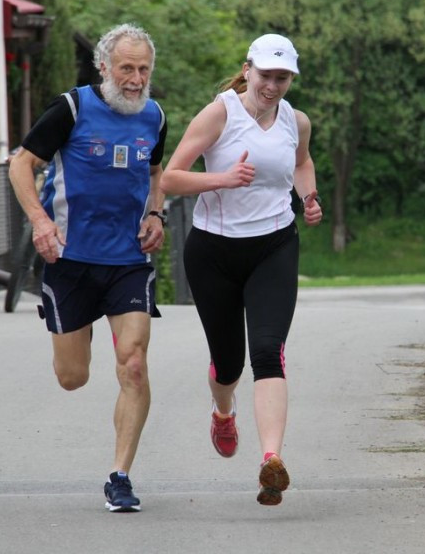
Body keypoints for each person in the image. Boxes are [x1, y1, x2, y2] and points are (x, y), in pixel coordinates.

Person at [8, 23, 167, 513]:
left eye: (143, 69)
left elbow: (156, 172)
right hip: (69, 259)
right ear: (104, 67)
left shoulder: (155, 116)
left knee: (134, 364)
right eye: (126, 68)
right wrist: (40, 222)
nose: (136, 80)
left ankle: (120, 476)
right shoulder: (72, 108)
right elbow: (21, 164)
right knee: (72, 377)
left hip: (128, 262)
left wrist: (156, 214)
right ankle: (83, 324)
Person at [160, 33, 322, 506]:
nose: (272, 86)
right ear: (248, 70)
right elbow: (170, 178)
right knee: (229, 363)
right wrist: (224, 179)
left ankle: (271, 461)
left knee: (269, 352)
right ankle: (223, 411)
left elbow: (302, 163)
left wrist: (308, 197)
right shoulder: (220, 114)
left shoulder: (296, 121)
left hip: (274, 246)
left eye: (282, 78)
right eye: (266, 75)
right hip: (214, 251)